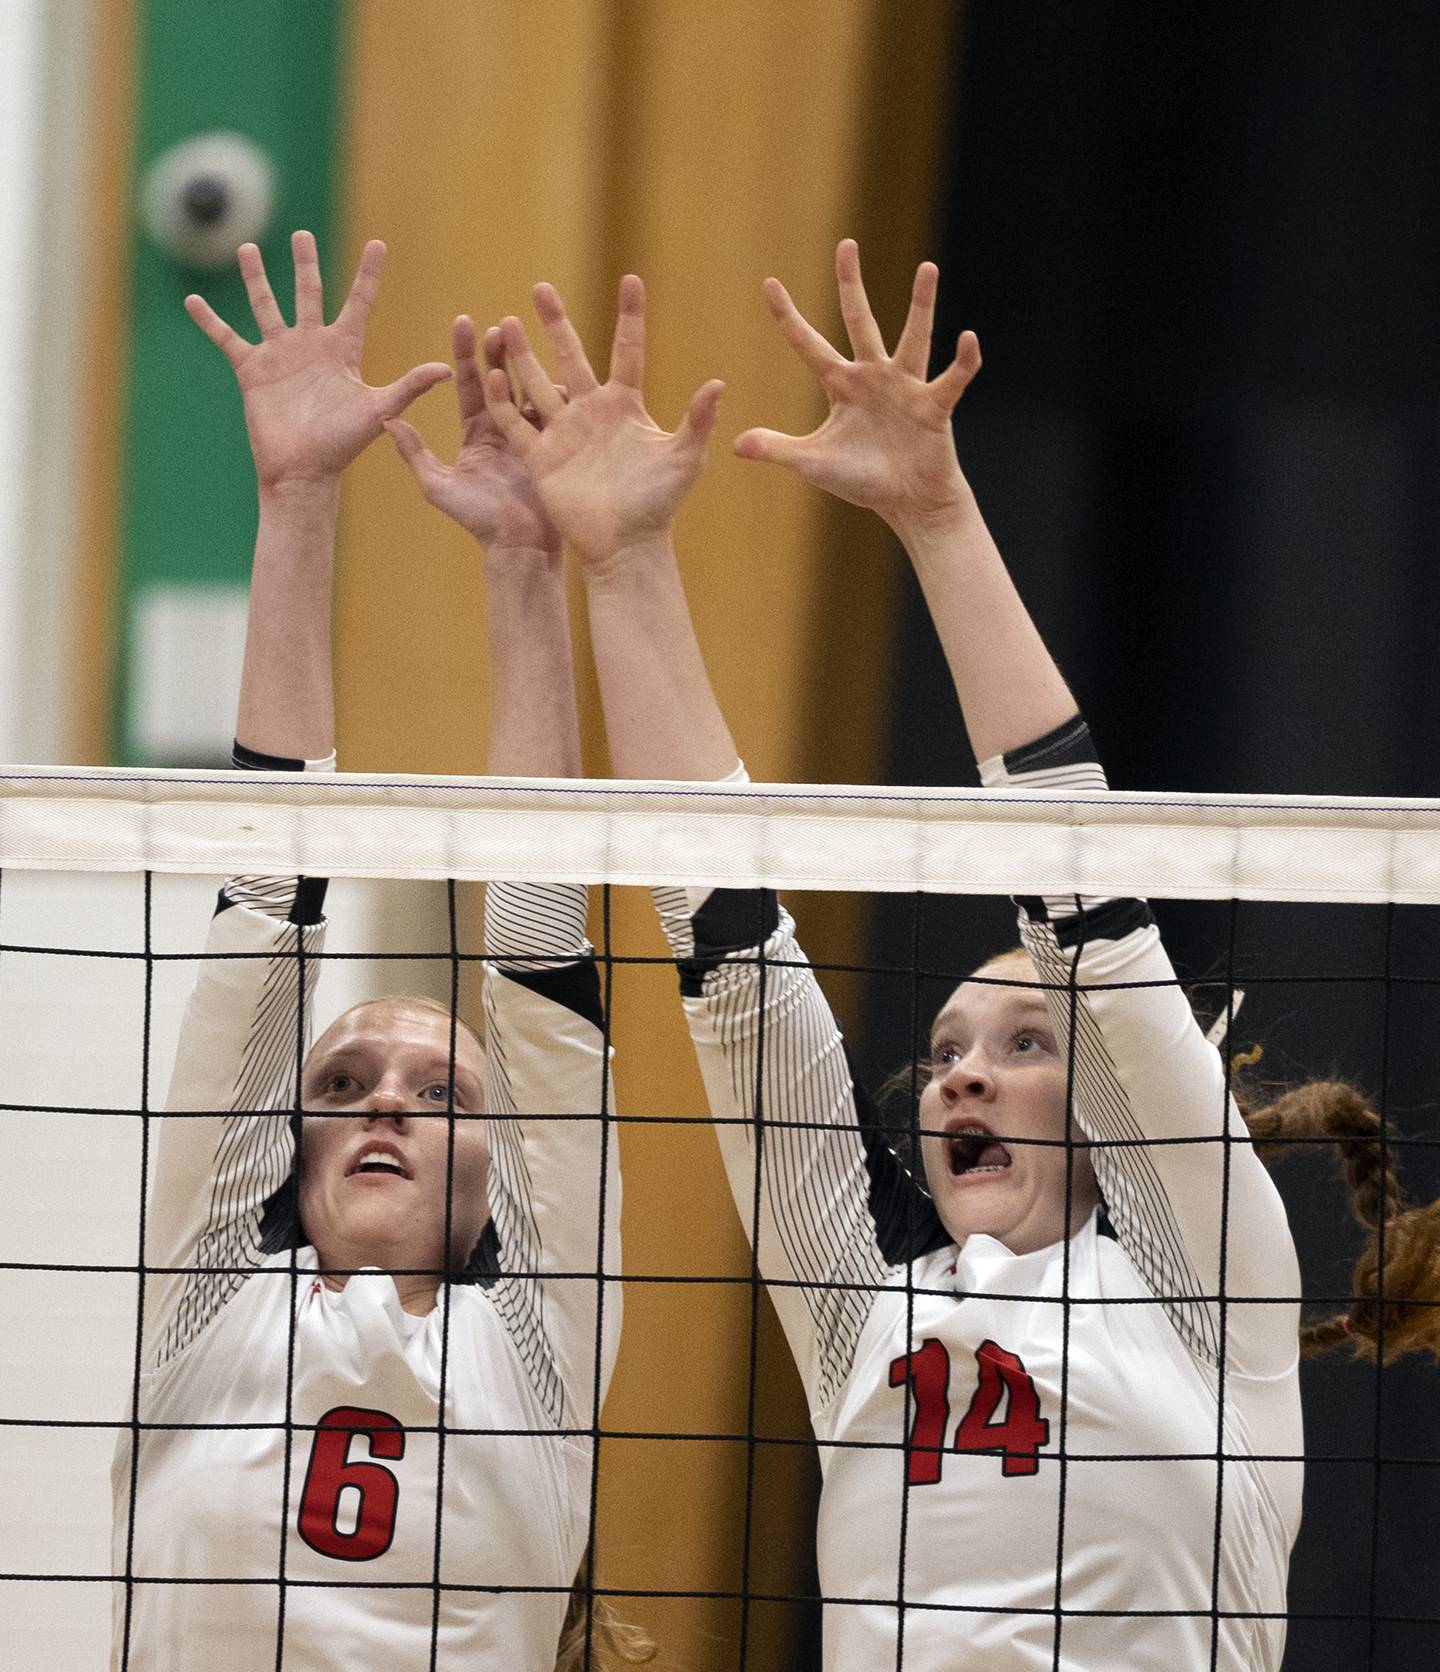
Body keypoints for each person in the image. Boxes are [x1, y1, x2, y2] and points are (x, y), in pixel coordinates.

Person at [480, 240, 1432, 1671]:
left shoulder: (1201, 1288)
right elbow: (732, 968)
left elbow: (1089, 908)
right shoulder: (864, 1312)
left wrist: (938, 516)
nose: (963, 1081)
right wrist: (622, 567)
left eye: (1021, 1044)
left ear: (1117, 1116)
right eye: (941, 1057)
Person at [114, 232, 623, 1672]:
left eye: (442, 1090)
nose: (388, 1099)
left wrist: (527, 570)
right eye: (344, 1084)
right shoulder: (207, 1304)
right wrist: (296, 504)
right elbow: (264, 922)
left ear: (498, 1170)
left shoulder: (539, 1343)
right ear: (292, 1152)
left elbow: (539, 965)